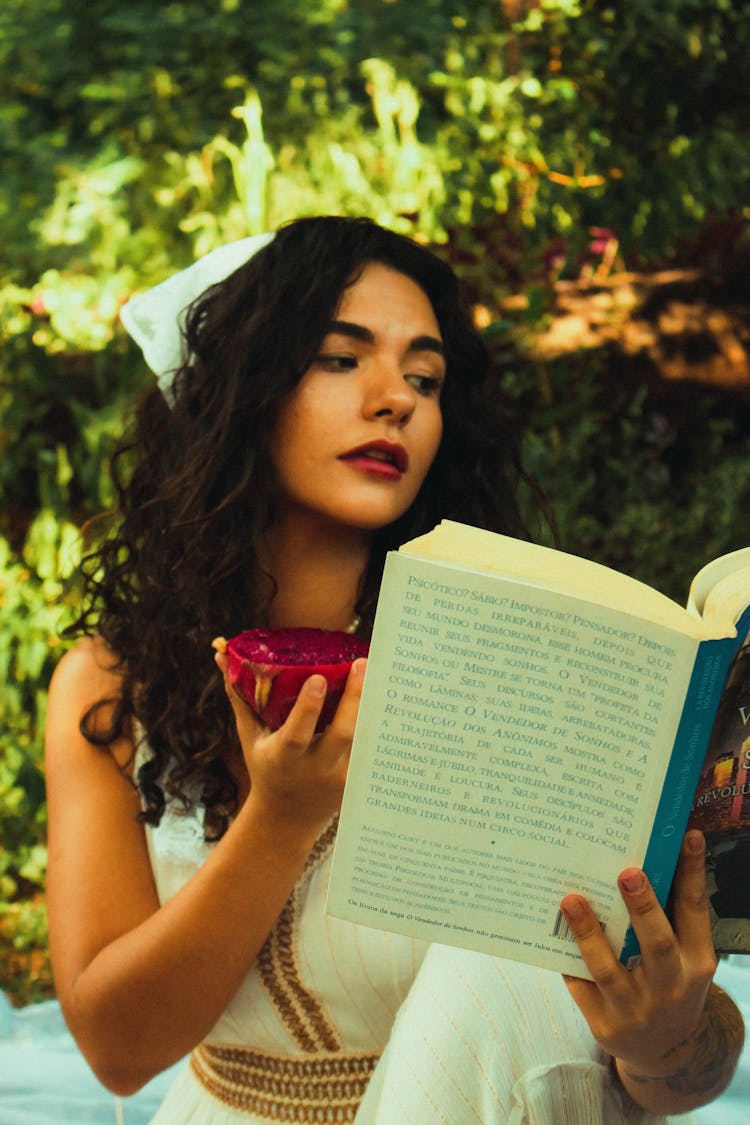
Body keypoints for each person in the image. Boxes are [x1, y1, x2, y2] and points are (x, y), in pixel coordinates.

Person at [44, 215, 744, 1124]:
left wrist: (664, 1044)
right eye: (343, 359)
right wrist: (279, 818)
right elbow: (116, 1051)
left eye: (426, 377)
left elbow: (663, 1050)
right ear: (242, 388)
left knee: (503, 962)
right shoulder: (110, 687)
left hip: (501, 1102)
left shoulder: (517, 667)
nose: (396, 399)